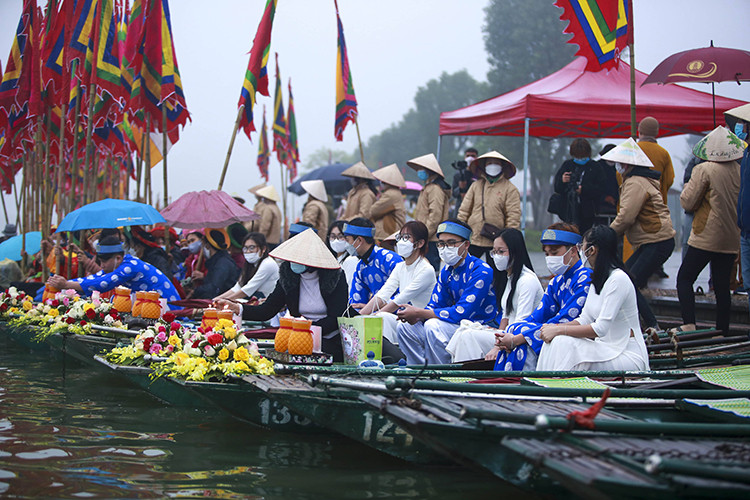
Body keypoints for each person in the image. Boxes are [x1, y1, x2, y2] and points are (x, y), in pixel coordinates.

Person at [217, 229, 348, 361]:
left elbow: (337, 317)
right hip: (298, 337)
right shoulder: (288, 276)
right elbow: (267, 310)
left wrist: (304, 330)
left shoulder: (335, 277)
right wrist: (238, 308)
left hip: (330, 339)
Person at [536, 225, 650, 372]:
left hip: (625, 354)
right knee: (557, 341)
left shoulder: (618, 279)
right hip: (605, 349)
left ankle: (557, 387)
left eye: (581, 247)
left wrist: (559, 330)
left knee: (563, 342)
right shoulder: (598, 278)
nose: (581, 251)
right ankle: (543, 383)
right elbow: (585, 318)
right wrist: (554, 329)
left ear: (592, 250)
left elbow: (600, 328)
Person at [490, 223, 592, 371]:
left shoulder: (585, 278)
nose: (550, 258)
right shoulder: (556, 281)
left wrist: (520, 338)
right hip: (552, 330)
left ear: (574, 250)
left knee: (523, 335)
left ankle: (520, 379)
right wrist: (512, 333)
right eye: (547, 254)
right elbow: (538, 315)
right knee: (516, 327)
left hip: (572, 334)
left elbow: (565, 319)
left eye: (555, 253)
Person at [396, 220, 497, 365]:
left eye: (451, 243)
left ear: (466, 244)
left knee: (432, 326)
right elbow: (435, 304)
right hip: (454, 324)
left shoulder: (481, 270)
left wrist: (420, 313)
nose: (445, 248)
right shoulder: (446, 271)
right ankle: (418, 370)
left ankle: (440, 373)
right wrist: (415, 316)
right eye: (441, 243)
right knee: (404, 326)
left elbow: (462, 312)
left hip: (479, 325)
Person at [676, 126, 744, 335]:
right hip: (731, 237)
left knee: (685, 278)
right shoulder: (740, 169)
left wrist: (687, 188)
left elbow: (688, 202)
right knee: (723, 287)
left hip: (706, 235)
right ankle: (722, 330)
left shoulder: (704, 169)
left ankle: (689, 323)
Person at [604, 138, 675, 334]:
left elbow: (626, 217)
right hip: (652, 240)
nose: (617, 167)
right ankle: (640, 323)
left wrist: (607, 235)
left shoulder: (635, 182)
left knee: (628, 282)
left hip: (657, 240)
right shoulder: (637, 179)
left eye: (619, 163)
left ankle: (652, 324)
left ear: (626, 164)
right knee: (626, 277)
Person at [447, 228, 543, 363]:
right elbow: (506, 316)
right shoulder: (510, 278)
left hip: (521, 338)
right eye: (494, 252)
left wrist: (497, 347)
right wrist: (498, 332)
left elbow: (522, 322)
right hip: (506, 334)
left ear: (515, 251)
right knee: (463, 330)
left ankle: (469, 376)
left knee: (468, 336)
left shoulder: (527, 281)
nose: (497, 256)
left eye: (501, 251)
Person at [359, 221, 436, 348]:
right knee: (377, 318)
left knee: (381, 318)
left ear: (420, 243)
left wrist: (373, 318)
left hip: (421, 322)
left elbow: (400, 299)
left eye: (406, 238)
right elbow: (383, 294)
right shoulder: (400, 267)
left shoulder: (426, 270)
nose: (401, 242)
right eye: (400, 237)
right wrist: (359, 317)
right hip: (407, 321)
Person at [45, 235, 181, 302]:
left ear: (117, 258)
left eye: (105, 260)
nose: (102, 264)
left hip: (170, 309)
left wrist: (66, 284)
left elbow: (103, 284)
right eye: (101, 260)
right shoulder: (117, 266)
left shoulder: (130, 266)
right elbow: (94, 278)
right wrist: (64, 285)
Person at [458, 150, 521, 291]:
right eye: (489, 163)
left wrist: (509, 239)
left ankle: (498, 302)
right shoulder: (476, 186)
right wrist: (458, 232)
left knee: (499, 275)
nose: (493, 166)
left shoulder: (510, 189)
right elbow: (464, 210)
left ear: (503, 167)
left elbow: (513, 216)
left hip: (497, 240)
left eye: (496, 163)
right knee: (466, 269)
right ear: (483, 166)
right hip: (473, 237)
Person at [343, 218, 403, 308]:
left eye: (348, 240)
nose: (346, 244)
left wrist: (371, 308)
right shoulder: (360, 268)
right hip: (375, 313)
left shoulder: (389, 259)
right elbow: (356, 302)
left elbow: (404, 294)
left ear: (359, 240)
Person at [406, 153, 451, 271]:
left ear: (430, 171)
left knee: (430, 269)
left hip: (431, 238)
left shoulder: (435, 189)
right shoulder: (428, 187)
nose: (419, 172)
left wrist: (424, 233)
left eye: (422, 169)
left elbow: (435, 216)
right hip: (426, 236)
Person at [552, 139, 605, 235]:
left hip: (587, 211)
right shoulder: (567, 165)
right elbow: (557, 188)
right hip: (567, 209)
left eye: (582, 156)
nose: (580, 158)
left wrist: (584, 190)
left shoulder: (595, 167)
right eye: (577, 156)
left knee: (584, 234)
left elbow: (601, 189)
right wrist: (562, 181)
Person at [726, 104, 750, 309]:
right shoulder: (745, 155)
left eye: (743, 124)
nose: (739, 128)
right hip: (745, 229)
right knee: (748, 284)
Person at [214, 232, 279, 302]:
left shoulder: (268, 264)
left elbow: (247, 289)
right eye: (245, 248)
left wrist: (225, 300)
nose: (248, 251)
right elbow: (237, 287)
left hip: (267, 303)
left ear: (263, 249)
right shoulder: (250, 264)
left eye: (252, 248)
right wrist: (215, 299)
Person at [191, 228, 240, 299]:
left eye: (203, 245)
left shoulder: (223, 263)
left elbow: (214, 288)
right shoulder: (216, 261)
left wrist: (196, 291)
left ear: (207, 246)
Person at [637, 116, 675, 204]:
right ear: (656, 132)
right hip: (657, 203)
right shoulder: (664, 153)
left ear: (640, 131)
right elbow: (669, 179)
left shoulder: (632, 149)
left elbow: (620, 175)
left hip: (633, 203)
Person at [370, 163, 407, 241]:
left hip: (387, 233)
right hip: (391, 233)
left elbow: (373, 210)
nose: (381, 183)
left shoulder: (390, 194)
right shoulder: (395, 193)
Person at [326, 220, 359, 285]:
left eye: (340, 236)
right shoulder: (332, 260)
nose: (336, 240)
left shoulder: (351, 260)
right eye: (333, 237)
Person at [451, 147, 479, 216]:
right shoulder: (458, 174)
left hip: (476, 207)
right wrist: (460, 188)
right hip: (460, 207)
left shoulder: (480, 174)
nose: (470, 158)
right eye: (468, 156)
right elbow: (454, 193)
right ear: (464, 158)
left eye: (473, 156)